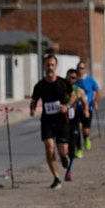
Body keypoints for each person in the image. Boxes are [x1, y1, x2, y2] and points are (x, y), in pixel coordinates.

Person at [29, 53, 70, 189]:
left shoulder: (63, 83)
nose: (50, 67)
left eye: (52, 65)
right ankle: (56, 177)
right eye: (47, 65)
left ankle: (64, 157)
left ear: (56, 66)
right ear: (44, 67)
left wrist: (68, 106)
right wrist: (32, 110)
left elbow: (74, 94)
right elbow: (34, 100)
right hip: (47, 120)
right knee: (49, 146)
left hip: (61, 120)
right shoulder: (39, 86)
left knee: (62, 150)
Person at [62, 67, 90, 181]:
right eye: (70, 77)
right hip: (63, 123)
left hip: (74, 122)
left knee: (72, 147)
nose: (72, 80)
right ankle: (64, 157)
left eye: (74, 78)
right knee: (64, 149)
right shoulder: (61, 90)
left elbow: (85, 103)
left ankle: (69, 171)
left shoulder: (79, 91)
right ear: (66, 77)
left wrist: (86, 111)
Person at [74, 59, 101, 151]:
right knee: (77, 128)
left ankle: (86, 138)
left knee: (86, 130)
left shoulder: (90, 80)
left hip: (87, 107)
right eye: (78, 68)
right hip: (76, 108)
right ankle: (79, 149)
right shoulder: (74, 81)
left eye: (82, 68)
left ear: (85, 70)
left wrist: (95, 101)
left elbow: (98, 92)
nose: (79, 70)